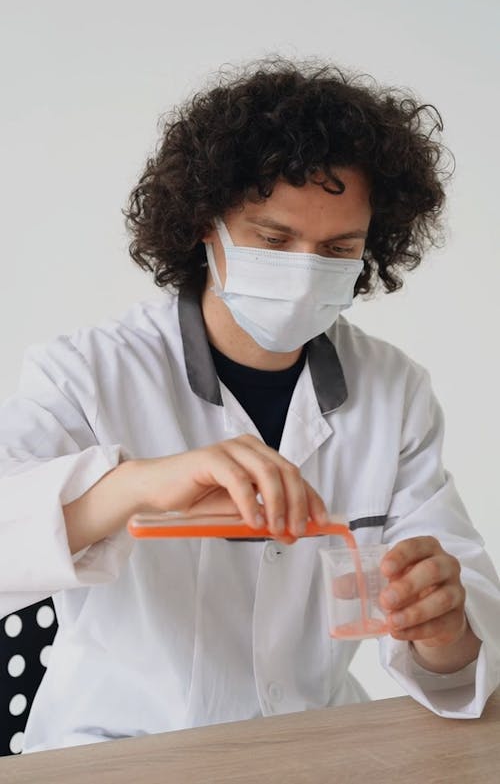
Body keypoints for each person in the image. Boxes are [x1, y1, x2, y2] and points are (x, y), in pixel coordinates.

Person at [1, 60, 499, 753]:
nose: (304, 270)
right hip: (116, 749)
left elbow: (462, 653)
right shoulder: (88, 371)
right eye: (274, 239)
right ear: (207, 223)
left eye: (337, 249)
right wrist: (136, 484)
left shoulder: (394, 389)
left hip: (314, 741)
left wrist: (448, 626)